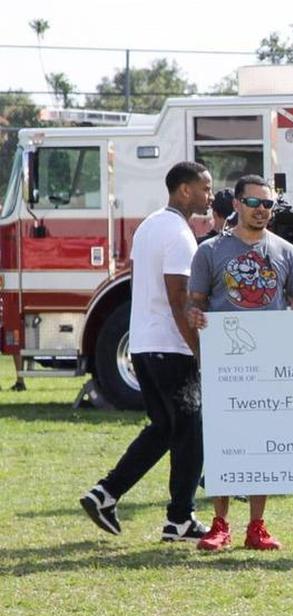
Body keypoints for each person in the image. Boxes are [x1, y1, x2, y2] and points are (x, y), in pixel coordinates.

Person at [79, 161, 214, 542]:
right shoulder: (179, 234)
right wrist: (198, 348)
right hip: (170, 348)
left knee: (165, 428)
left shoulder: (149, 226)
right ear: (184, 190)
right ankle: (180, 519)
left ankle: (105, 494)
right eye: (204, 188)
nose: (209, 195)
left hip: (142, 345)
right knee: (191, 431)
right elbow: (179, 298)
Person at [188, 175, 293, 551]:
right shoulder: (210, 251)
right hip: (225, 366)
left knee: (263, 444)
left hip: (269, 366)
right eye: (253, 203)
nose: (261, 210)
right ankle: (220, 524)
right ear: (236, 204)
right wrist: (193, 316)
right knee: (223, 443)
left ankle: (257, 526)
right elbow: (194, 302)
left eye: (268, 204)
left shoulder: (286, 252)